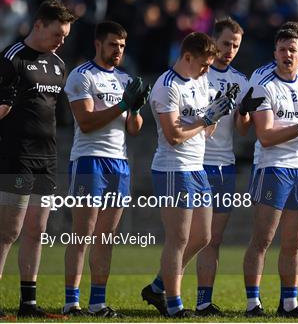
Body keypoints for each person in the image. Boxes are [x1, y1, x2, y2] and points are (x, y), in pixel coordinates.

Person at [140, 32, 234, 318]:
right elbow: (173, 136)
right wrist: (206, 118)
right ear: (187, 57)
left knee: (203, 237)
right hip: (173, 168)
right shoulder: (167, 85)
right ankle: (174, 304)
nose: (208, 70)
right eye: (204, 64)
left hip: (197, 167)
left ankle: (158, 286)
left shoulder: (200, 80)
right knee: (178, 239)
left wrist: (215, 115)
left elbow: (205, 132)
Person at [62, 20, 150, 317]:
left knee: (106, 237)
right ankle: (71, 302)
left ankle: (97, 302)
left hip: (119, 163)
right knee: (82, 234)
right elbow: (86, 123)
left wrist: (135, 108)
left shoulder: (125, 79)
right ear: (98, 44)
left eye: (122, 46)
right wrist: (124, 105)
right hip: (89, 160)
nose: (118, 51)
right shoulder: (81, 76)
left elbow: (134, 130)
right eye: (113, 44)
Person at [0, 0, 76, 319]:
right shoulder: (12, 58)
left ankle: (28, 304)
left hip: (47, 158)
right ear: (39, 25)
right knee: (8, 232)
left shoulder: (58, 65)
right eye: (57, 34)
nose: (61, 41)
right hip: (16, 156)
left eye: (65, 37)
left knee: (37, 230)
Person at [243, 28, 298, 318]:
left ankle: (289, 303)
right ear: (274, 53)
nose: (287, 55)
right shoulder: (265, 85)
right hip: (274, 167)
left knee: (294, 242)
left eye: (293, 50)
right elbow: (265, 136)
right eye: (282, 49)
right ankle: (253, 303)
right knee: (263, 239)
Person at [194, 17, 260, 316]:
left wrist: (244, 112)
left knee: (214, 239)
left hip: (225, 164)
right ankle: (166, 291)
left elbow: (243, 130)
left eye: (235, 45)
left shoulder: (240, 81)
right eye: (224, 43)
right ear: (213, 41)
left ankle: (204, 301)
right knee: (194, 237)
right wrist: (213, 110)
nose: (229, 50)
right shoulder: (196, 75)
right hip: (195, 162)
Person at [247, 21, 298, 197]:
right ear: (276, 51)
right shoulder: (262, 76)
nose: (290, 53)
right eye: (284, 49)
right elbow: (256, 125)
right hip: (269, 160)